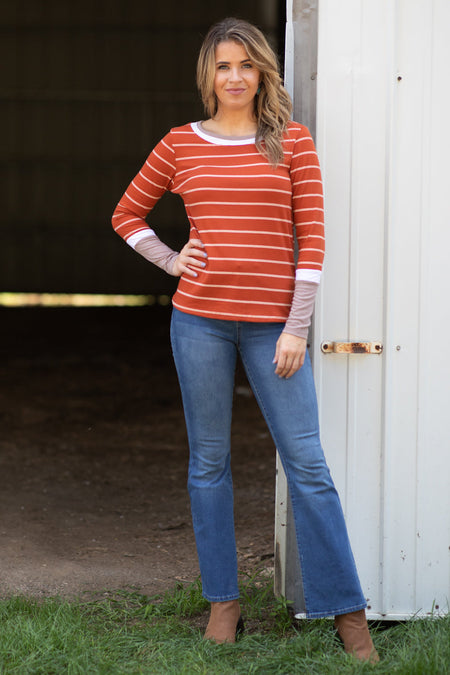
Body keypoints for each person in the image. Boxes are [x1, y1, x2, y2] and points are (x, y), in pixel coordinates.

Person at [112, 17, 379, 663]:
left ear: (263, 73)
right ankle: (224, 603)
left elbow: (312, 241)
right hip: (197, 321)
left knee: (308, 465)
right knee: (209, 464)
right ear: (209, 75)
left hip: (272, 329)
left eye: (246, 65)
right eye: (223, 66)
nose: (235, 76)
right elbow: (126, 213)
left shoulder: (289, 141)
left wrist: (295, 327)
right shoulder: (180, 144)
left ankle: (350, 617)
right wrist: (172, 261)